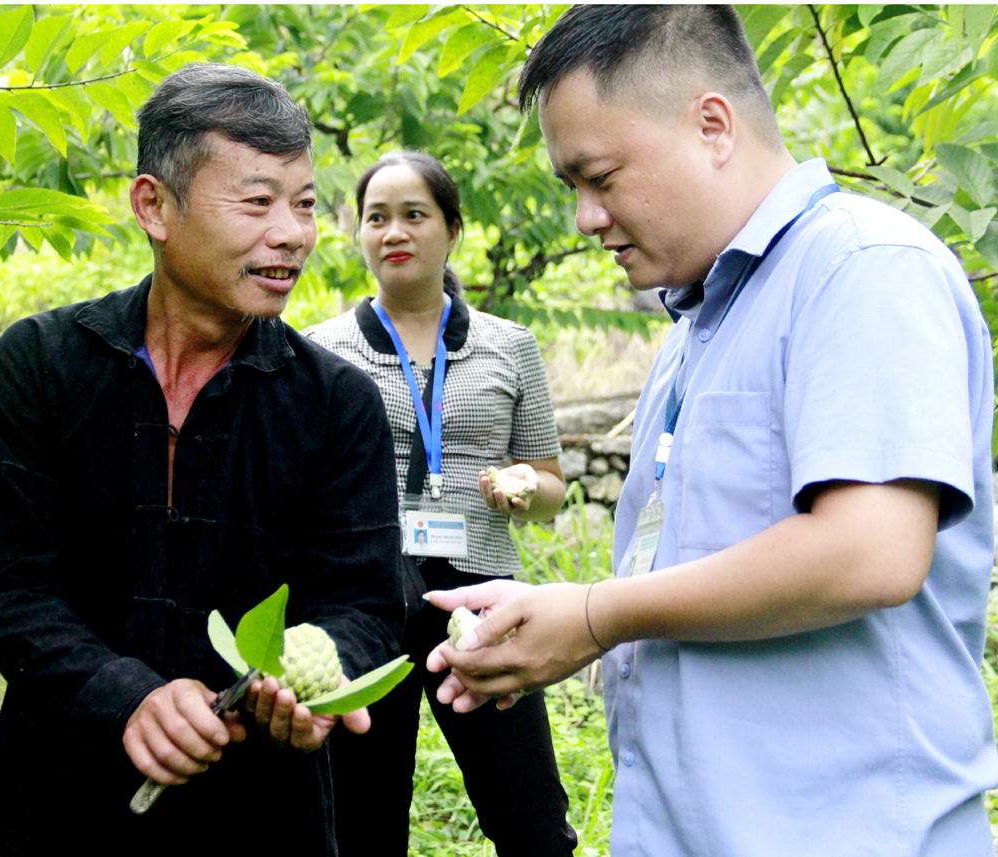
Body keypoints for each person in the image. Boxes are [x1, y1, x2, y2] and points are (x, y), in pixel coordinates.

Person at [426, 6, 998, 856]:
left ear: (713, 125)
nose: (585, 217)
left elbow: (873, 549)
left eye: (601, 175)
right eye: (571, 188)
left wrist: (593, 614)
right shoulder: (696, 329)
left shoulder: (863, 268)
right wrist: (556, 618)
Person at [0, 64, 405, 856]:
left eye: (303, 204)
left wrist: (321, 674)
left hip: (259, 817)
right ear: (153, 204)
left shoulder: (337, 402)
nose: (293, 232)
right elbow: (5, 584)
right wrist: (121, 696)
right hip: (51, 799)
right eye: (257, 201)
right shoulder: (42, 365)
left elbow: (364, 602)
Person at [304, 152, 576, 856]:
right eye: (376, 217)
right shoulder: (321, 353)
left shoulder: (509, 346)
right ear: (359, 234)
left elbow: (551, 488)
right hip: (364, 596)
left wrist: (523, 488)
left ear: (452, 229)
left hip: (482, 595)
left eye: (414, 215)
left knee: (530, 815)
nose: (394, 231)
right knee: (363, 818)